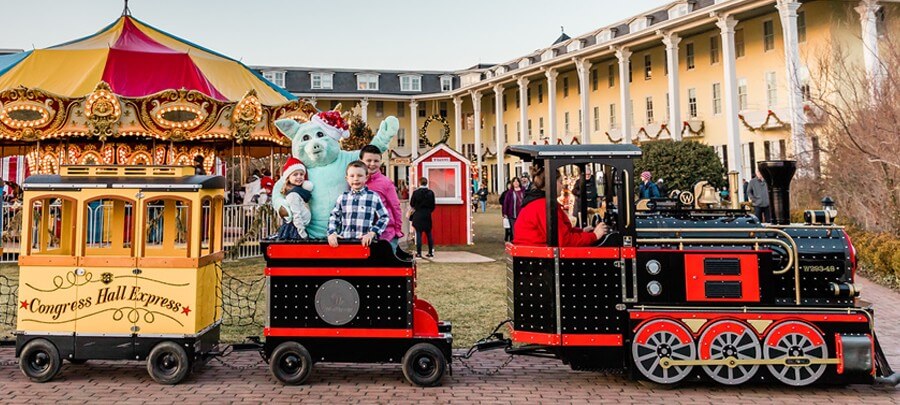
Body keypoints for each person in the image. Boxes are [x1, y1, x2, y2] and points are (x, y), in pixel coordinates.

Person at [514, 164, 607, 247]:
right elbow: (564, 241)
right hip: (540, 258)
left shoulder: (542, 203)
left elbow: (561, 231)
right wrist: (594, 236)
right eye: (560, 182)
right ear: (551, 183)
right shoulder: (543, 206)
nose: (563, 186)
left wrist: (582, 231)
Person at [327, 161, 390, 248]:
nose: (356, 179)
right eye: (352, 176)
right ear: (347, 178)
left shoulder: (373, 197)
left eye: (360, 176)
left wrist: (372, 233)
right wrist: (332, 233)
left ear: (366, 177)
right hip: (345, 243)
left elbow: (384, 217)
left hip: (365, 244)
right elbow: (334, 216)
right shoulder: (342, 197)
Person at [360, 145, 403, 250]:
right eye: (368, 160)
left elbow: (395, 206)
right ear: (361, 161)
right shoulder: (356, 181)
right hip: (363, 236)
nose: (372, 164)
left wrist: (397, 230)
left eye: (376, 161)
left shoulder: (386, 182)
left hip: (386, 235)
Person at [275, 157, 313, 239]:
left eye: (301, 174)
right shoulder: (293, 195)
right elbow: (296, 215)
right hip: (295, 230)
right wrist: (303, 234)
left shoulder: (299, 192)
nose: (299, 177)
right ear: (288, 178)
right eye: (295, 174)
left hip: (299, 228)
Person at [409, 177, 436, 258]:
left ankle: (419, 253)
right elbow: (433, 205)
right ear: (426, 183)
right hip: (427, 214)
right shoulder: (431, 193)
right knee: (429, 234)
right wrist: (429, 211)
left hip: (418, 214)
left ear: (419, 183)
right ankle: (430, 252)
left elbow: (412, 204)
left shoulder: (416, 193)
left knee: (418, 234)